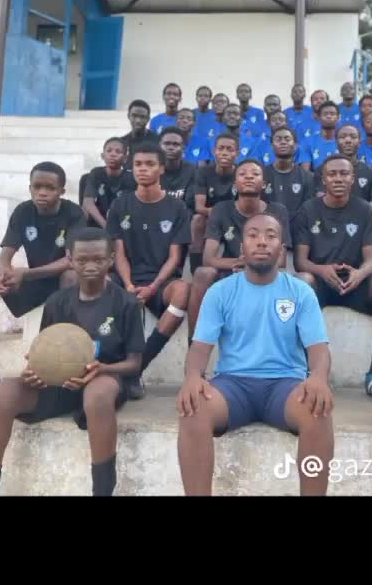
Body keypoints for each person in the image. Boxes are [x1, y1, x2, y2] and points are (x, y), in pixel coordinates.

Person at [0, 229, 145, 498]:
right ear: (70, 260)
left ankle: (102, 490)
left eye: (98, 259)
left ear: (111, 259)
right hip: (60, 384)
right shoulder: (57, 302)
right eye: (82, 260)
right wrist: (34, 371)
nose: (90, 266)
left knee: (98, 394)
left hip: (103, 379)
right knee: (2, 393)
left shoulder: (127, 303)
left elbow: (134, 363)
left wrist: (102, 368)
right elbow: (44, 351)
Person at [177, 214, 334, 496]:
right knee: (193, 409)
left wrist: (319, 378)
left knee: (317, 410)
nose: (262, 241)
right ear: (241, 248)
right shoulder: (219, 292)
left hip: (285, 385)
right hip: (233, 385)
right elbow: (200, 348)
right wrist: (192, 377)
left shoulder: (301, 292)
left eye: (271, 236)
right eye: (253, 235)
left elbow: (318, 349)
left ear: (282, 249)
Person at [0, 162, 84, 396]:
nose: (42, 192)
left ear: (62, 191)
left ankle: (57, 368)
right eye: (37, 186)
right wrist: (4, 273)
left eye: (50, 188)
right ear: (30, 188)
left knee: (71, 276)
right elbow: (5, 255)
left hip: (61, 283)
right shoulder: (23, 211)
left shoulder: (74, 214)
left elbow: (71, 260)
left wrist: (26, 274)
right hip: (35, 283)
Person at [294, 155, 372, 403]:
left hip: (355, 283)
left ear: (353, 178)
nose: (338, 179)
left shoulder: (364, 209)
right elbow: (301, 261)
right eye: (332, 174)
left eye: (344, 174)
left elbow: (371, 259)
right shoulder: (308, 210)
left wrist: (360, 274)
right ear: (323, 180)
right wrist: (322, 270)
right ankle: (307, 371)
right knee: (302, 281)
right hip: (321, 282)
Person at [106, 143, 191, 399]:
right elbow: (118, 253)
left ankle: (137, 368)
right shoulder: (120, 205)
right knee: (102, 284)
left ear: (162, 168)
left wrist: (153, 287)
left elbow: (175, 258)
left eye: (150, 164)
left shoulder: (177, 207)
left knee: (183, 290)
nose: (143, 169)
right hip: (126, 279)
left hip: (161, 282)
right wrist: (129, 286)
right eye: (138, 164)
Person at [187, 159, 292, 337]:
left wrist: (251, 265)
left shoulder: (278, 211)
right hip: (232, 271)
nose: (249, 177)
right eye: (243, 174)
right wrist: (240, 262)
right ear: (235, 184)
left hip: (266, 272)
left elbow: (281, 261)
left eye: (255, 174)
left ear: (264, 184)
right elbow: (208, 259)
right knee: (202, 273)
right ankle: (195, 342)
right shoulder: (221, 209)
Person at [335, 123, 372, 266]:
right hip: (332, 215)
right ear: (336, 141)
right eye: (343, 137)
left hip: (362, 217)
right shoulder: (324, 170)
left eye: (353, 137)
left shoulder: (371, 171)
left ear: (360, 142)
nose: (348, 140)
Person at [190, 133, 239, 275]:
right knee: (197, 220)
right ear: (214, 151)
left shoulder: (241, 173)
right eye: (221, 148)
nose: (224, 152)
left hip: (235, 217)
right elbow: (199, 207)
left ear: (237, 154)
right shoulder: (203, 172)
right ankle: (196, 270)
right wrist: (220, 214)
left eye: (229, 149)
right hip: (212, 218)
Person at [262, 127, 316, 226]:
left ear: (295, 146)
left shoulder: (308, 177)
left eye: (287, 139)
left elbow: (308, 211)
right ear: (272, 146)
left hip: (297, 229)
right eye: (278, 139)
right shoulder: (261, 175)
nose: (283, 142)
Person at [82, 138, 136, 228]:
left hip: (123, 224)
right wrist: (105, 225)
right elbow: (88, 202)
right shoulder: (96, 173)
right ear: (103, 156)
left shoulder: (131, 178)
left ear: (125, 158)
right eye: (109, 151)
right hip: (99, 224)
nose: (113, 154)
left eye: (118, 151)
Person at [159, 127, 197, 211]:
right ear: (159, 146)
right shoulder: (152, 169)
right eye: (167, 144)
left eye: (176, 144)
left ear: (183, 148)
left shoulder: (192, 170)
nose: (171, 147)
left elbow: (190, 204)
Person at [299, 101, 343, 171]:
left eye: (332, 114)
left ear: (338, 117)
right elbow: (305, 172)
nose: (329, 116)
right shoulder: (307, 142)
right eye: (325, 114)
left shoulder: (343, 141)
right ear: (319, 117)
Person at [121, 99, 156, 171]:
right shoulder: (122, 142)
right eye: (134, 116)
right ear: (128, 116)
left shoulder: (157, 141)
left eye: (142, 117)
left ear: (148, 119)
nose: (138, 121)